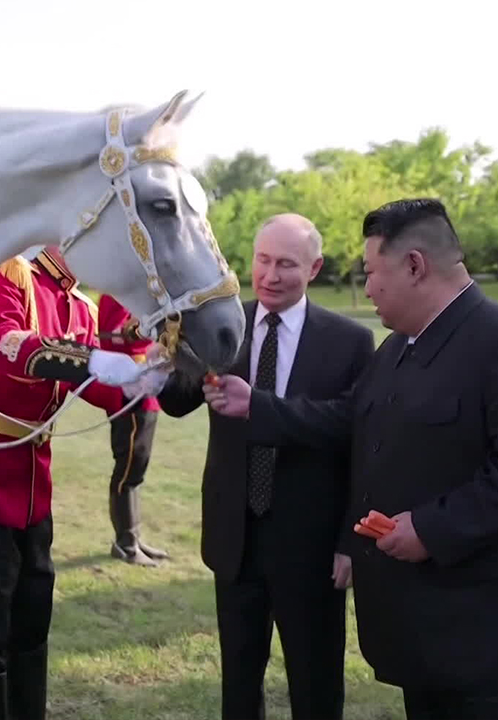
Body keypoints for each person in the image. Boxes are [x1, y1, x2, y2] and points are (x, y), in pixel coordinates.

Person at [205, 199, 498, 720]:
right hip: (435, 641)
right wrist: (258, 406)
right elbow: (348, 422)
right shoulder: (397, 350)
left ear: (415, 266)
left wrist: (433, 529)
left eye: (372, 273)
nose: (366, 289)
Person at [0, 248, 169, 720]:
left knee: (32, 627)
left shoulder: (81, 305)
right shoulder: (7, 272)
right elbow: (4, 343)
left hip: (33, 483)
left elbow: (97, 384)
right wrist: (94, 360)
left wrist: (138, 379)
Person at [158, 213, 374, 720]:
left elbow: (354, 434)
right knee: (238, 681)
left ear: (315, 267)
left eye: (286, 264)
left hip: (312, 548)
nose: (271, 275)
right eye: (262, 261)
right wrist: (169, 350)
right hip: (235, 540)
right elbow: (174, 402)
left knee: (315, 683)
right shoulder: (223, 328)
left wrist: (350, 541)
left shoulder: (349, 342)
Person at [96, 293, 169, 566]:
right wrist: (152, 327)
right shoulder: (118, 292)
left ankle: (133, 537)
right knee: (128, 468)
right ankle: (125, 543)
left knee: (137, 469)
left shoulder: (138, 289)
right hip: (129, 389)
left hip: (148, 385)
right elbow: (109, 337)